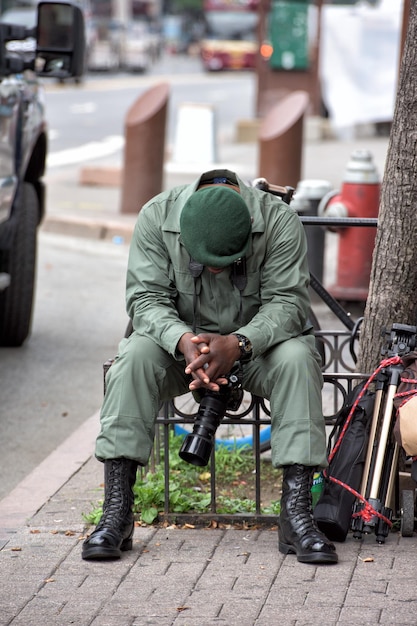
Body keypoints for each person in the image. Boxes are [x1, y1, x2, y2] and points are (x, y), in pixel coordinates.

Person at [82, 169, 338, 565]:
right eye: (205, 261)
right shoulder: (156, 216)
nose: (215, 270)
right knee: (132, 360)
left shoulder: (278, 221)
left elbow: (288, 303)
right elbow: (146, 299)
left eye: (227, 261)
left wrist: (238, 344)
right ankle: (117, 513)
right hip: (182, 348)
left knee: (298, 359)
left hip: (257, 348)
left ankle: (297, 516)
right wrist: (183, 341)